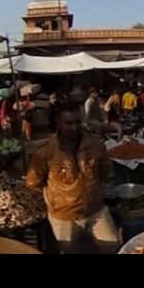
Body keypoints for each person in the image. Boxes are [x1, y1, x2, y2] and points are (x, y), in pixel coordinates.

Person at [25, 101, 120, 254]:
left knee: (113, 246)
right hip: (63, 216)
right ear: (58, 122)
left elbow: (105, 171)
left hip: (96, 210)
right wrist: (55, 198)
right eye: (69, 123)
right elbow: (33, 182)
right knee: (69, 251)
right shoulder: (44, 152)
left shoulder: (96, 144)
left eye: (78, 122)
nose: (75, 127)